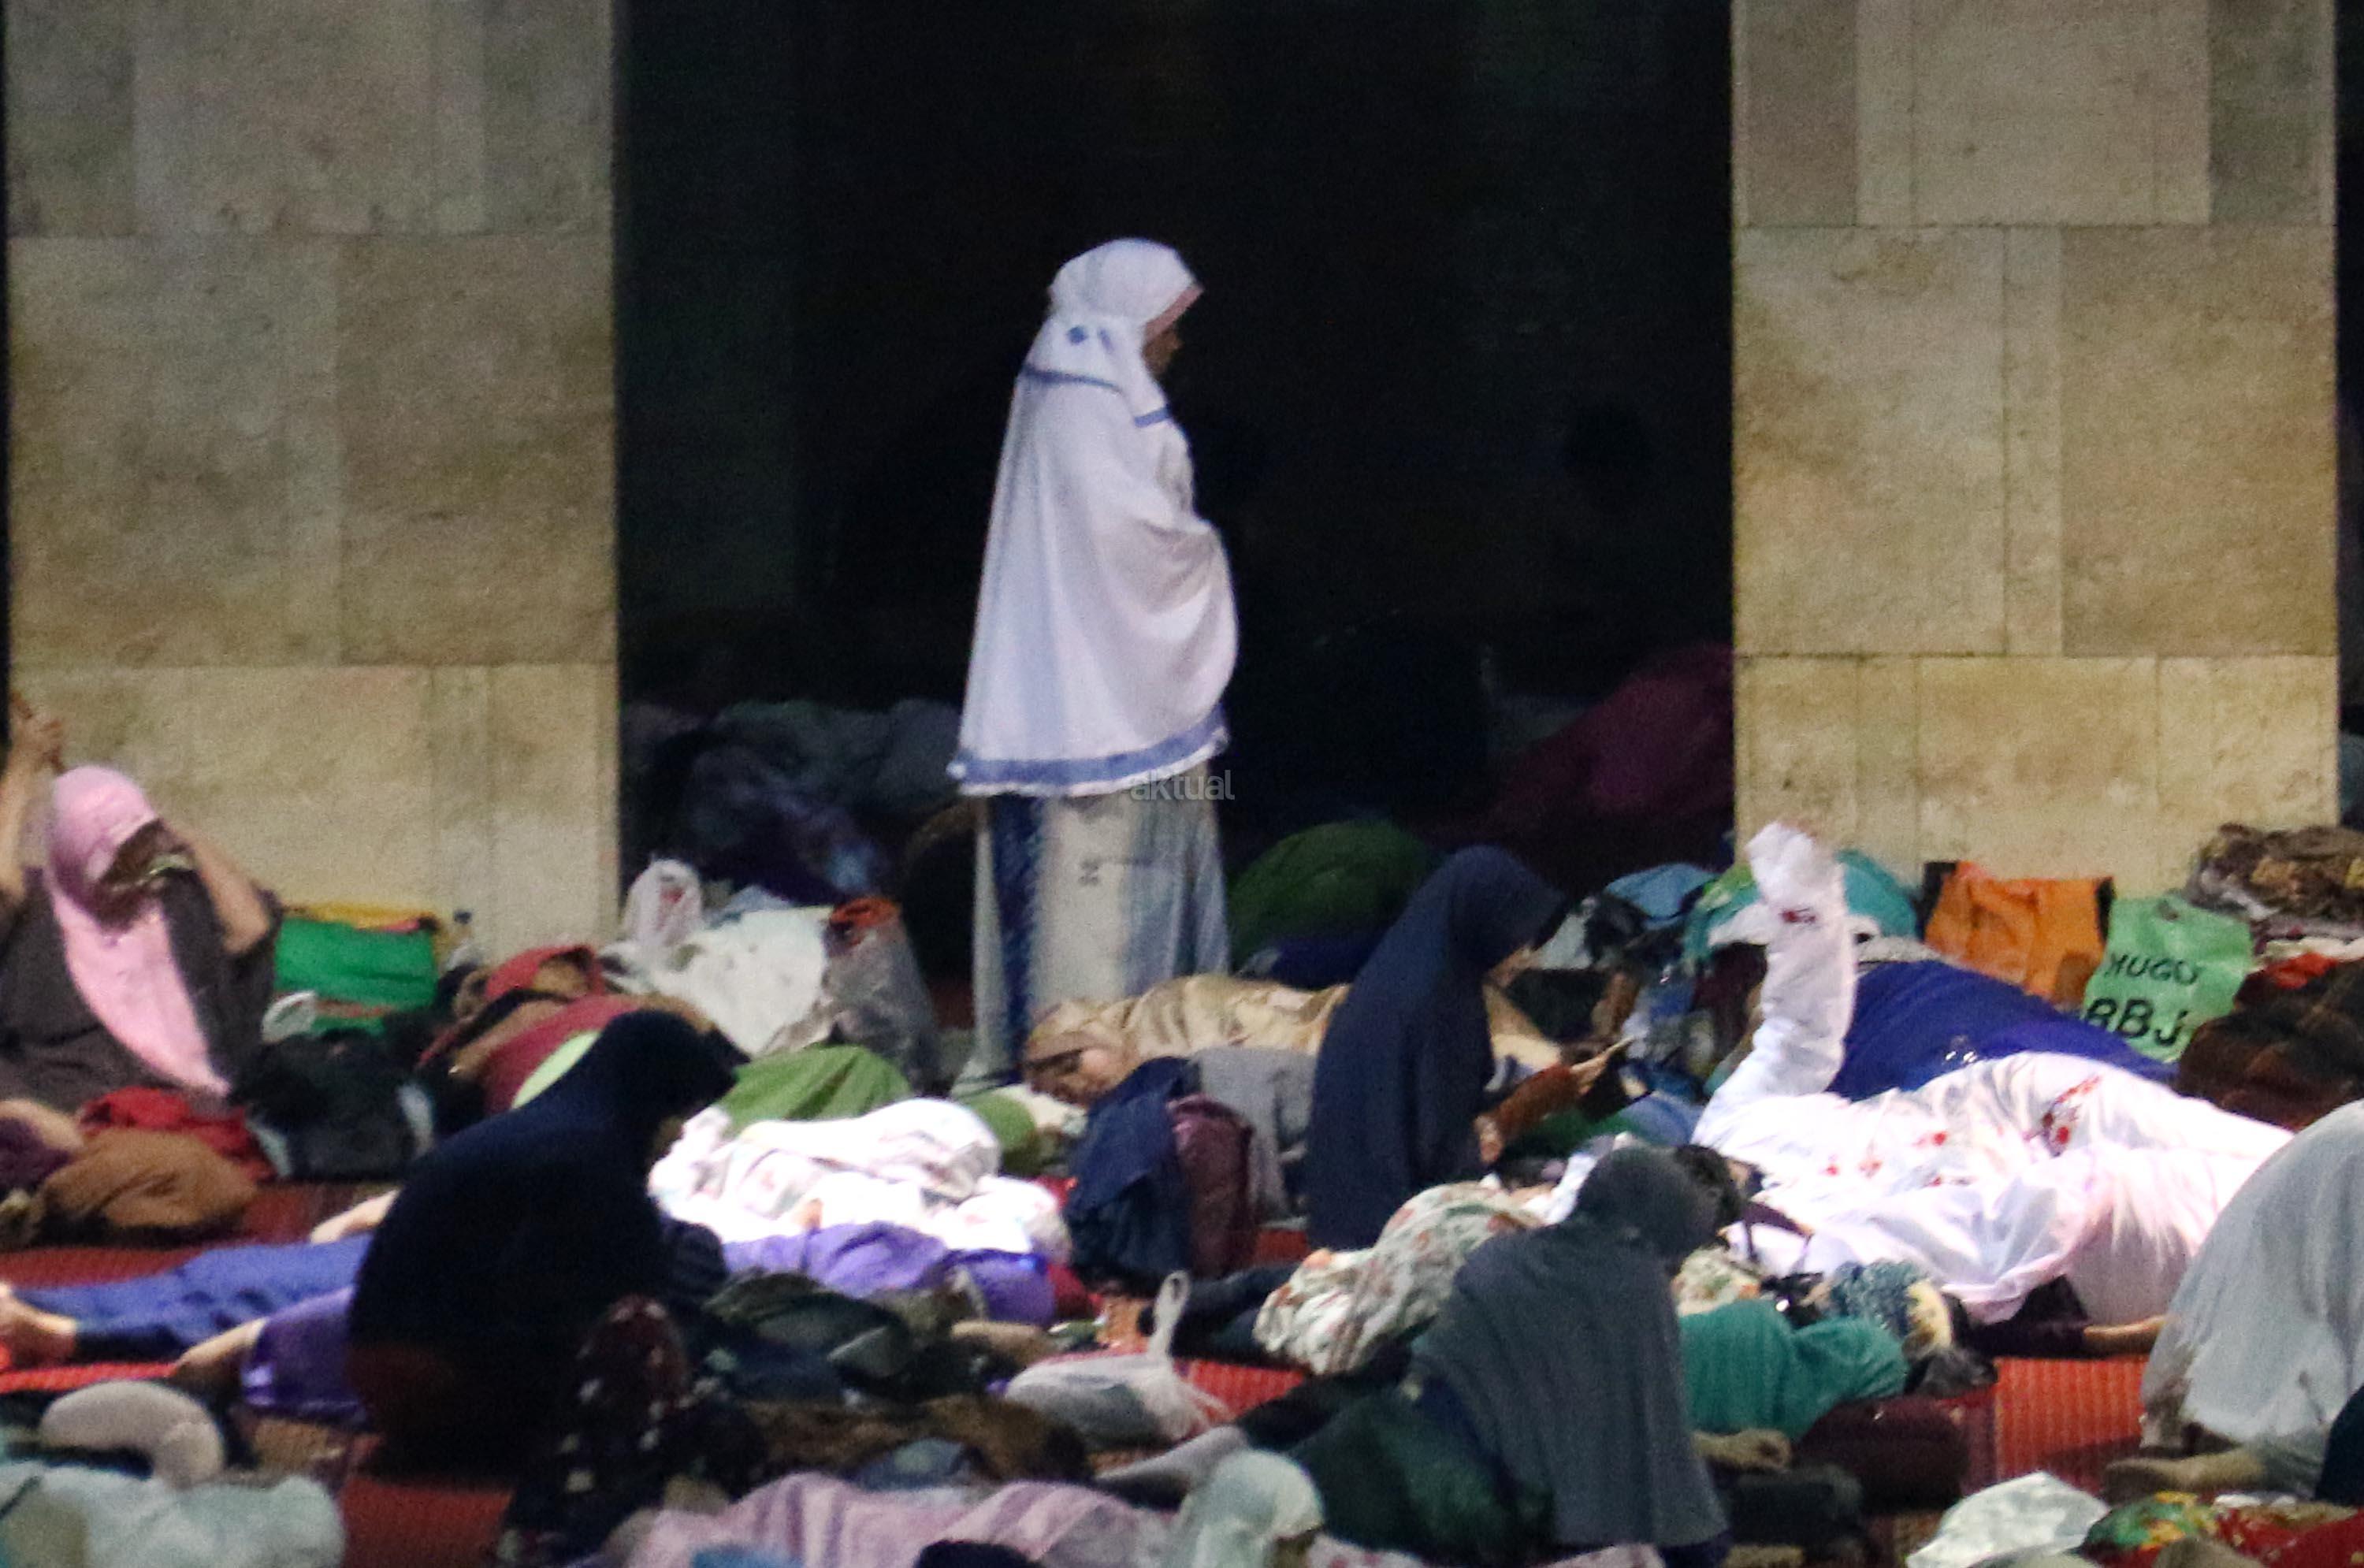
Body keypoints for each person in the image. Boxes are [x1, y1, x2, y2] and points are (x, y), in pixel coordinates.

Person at [1697, 823, 2289, 1331]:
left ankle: (2321, 1185)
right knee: (2117, 1194)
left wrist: (1802, 902)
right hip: (2026, 1203)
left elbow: (1800, 1030)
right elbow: (1947, 1250)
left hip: (2009, 1100)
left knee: (2268, 1156)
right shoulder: (1768, 1250)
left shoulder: (1729, 1123)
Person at [953, 239, 1237, 1080]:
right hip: (1093, 720)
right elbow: (1130, 540)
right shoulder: (1082, 406)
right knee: (1093, 930)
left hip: (1105, 706)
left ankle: (1131, 1074)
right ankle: (1086, 1082)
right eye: (1166, 324)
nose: (1175, 342)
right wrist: (1204, 551)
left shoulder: (1086, 397)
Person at [347, 1009, 740, 1464]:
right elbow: (554, 1309)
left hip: (386, 1371)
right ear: (653, 1099)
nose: (679, 1136)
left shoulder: (550, 1128)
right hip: (435, 1386)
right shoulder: (588, 1160)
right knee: (646, 1328)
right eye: (679, 1115)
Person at [0, 710, 279, 1113]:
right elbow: (3, 886)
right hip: (91, 1106)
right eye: (117, 870)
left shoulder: (167, 903)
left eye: (144, 862)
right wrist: (23, 768)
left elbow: (250, 928)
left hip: (197, 1097)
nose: (137, 881)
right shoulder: (39, 920)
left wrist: (177, 835)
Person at [1303, 846, 1565, 1249]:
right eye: (1518, 938)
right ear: (1483, 922)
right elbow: (1442, 1148)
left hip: (1339, 1212)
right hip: (1388, 1231)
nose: (1526, 956)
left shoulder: (1401, 972)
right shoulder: (1440, 1003)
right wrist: (1510, 1199)